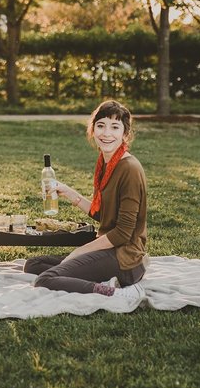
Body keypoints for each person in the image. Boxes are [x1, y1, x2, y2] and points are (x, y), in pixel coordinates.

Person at [24, 99, 148, 296]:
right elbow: (101, 214)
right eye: (101, 126)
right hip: (109, 250)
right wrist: (66, 191)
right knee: (34, 264)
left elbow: (122, 234)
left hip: (124, 258)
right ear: (93, 129)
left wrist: (78, 253)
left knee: (45, 279)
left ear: (125, 134)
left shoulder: (129, 169)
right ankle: (93, 275)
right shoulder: (105, 164)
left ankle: (109, 291)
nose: (106, 133)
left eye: (115, 127)